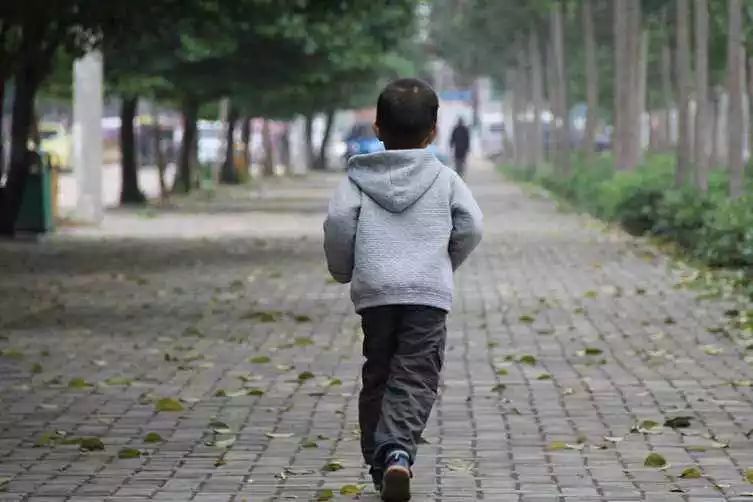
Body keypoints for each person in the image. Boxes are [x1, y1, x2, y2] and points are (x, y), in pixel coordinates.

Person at [323, 78, 483, 501]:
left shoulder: (356, 179)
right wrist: (444, 261)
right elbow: (471, 226)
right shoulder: (445, 179)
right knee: (415, 373)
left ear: (377, 127)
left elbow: (338, 224)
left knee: (378, 371)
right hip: (426, 294)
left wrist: (343, 270)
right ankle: (396, 452)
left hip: (376, 293)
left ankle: (380, 463)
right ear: (433, 131)